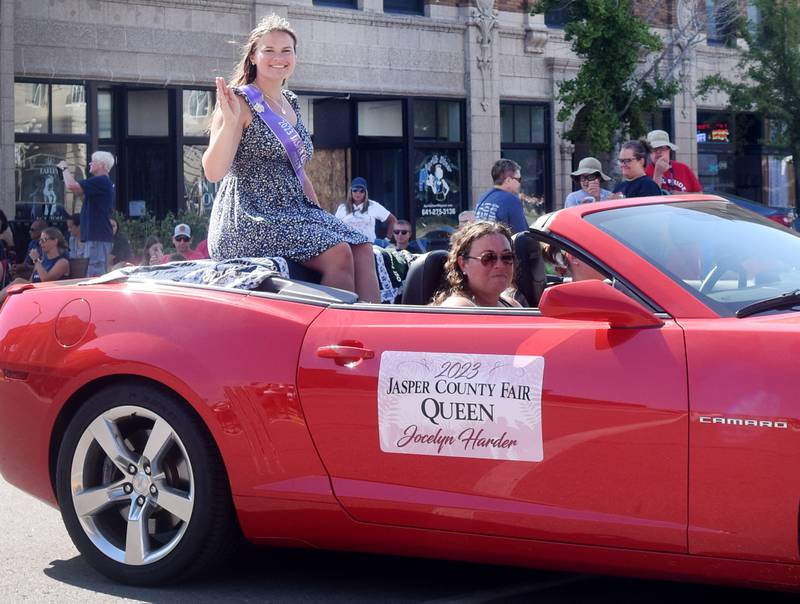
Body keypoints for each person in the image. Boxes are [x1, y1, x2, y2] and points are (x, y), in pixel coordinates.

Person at [203, 14, 381, 303]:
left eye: (286, 50)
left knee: (362, 247)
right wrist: (232, 124)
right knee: (338, 252)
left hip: (293, 210)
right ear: (252, 57)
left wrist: (320, 215)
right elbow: (213, 171)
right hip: (251, 215)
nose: (278, 58)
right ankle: (333, 339)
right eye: (269, 50)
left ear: (295, 56)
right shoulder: (239, 102)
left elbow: (298, 172)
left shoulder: (292, 102)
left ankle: (374, 335)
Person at [432, 221, 521, 308]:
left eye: (507, 257)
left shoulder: (512, 305)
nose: (500, 265)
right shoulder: (458, 307)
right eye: (488, 257)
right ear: (463, 264)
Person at [58, 151, 115, 277]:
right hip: (95, 237)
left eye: (93, 161)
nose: (90, 163)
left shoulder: (101, 180)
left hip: (97, 237)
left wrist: (64, 168)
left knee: (95, 275)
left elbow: (71, 186)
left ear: (102, 165)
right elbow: (78, 192)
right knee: (90, 273)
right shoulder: (100, 183)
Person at [0, 227, 70, 304]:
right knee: (18, 281)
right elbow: (31, 281)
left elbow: (46, 280)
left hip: (49, 297)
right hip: (34, 295)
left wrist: (36, 260)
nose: (40, 243)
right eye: (40, 240)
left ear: (55, 241)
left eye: (43, 240)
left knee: (18, 282)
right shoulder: (41, 262)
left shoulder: (62, 262)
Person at [335, 177, 397, 245]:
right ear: (351, 191)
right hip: (349, 246)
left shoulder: (373, 205)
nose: (358, 193)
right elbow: (335, 227)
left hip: (368, 246)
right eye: (355, 190)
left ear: (365, 192)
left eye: (361, 191)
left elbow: (393, 220)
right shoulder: (342, 207)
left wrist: (387, 240)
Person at [473, 159, 528, 234]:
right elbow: (522, 236)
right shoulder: (511, 200)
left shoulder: (483, 198)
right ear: (508, 180)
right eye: (519, 179)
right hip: (499, 244)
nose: (520, 183)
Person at [644, 130, 703, 194]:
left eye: (662, 148)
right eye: (654, 149)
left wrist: (680, 196)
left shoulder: (683, 168)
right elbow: (651, 199)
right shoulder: (644, 173)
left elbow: (700, 194)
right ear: (649, 152)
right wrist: (658, 174)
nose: (658, 152)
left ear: (669, 150)